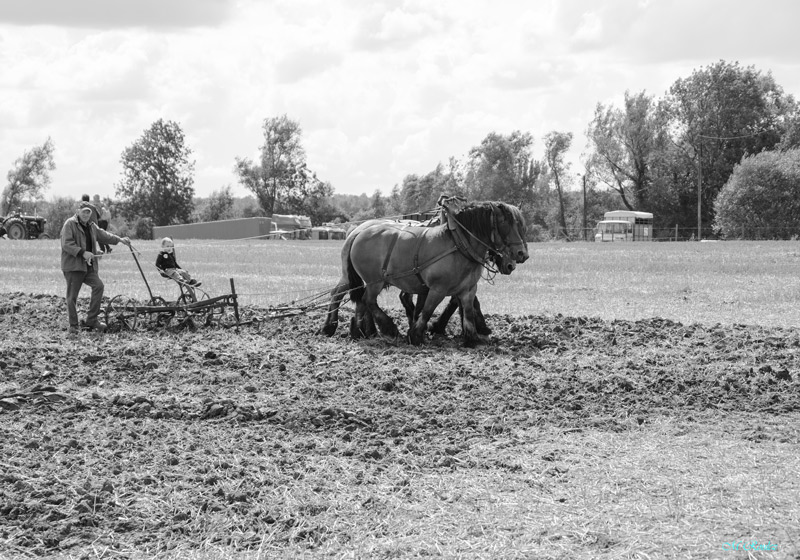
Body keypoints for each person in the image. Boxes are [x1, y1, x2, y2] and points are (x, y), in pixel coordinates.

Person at [61, 201, 131, 334]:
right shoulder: (69, 224)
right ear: (78, 212)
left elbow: (104, 235)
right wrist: (83, 252)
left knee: (98, 286)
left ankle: (91, 320)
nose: (86, 214)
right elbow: (67, 244)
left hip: (88, 267)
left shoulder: (92, 226)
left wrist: (120, 240)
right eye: (84, 212)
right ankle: (74, 325)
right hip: (73, 266)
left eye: (89, 212)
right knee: (72, 296)